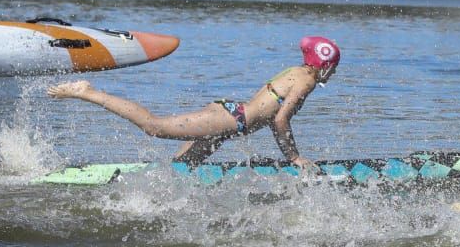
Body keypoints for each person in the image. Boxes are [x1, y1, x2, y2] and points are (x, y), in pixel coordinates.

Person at [48, 35, 339, 168]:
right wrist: (294, 158)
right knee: (154, 127)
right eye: (334, 66)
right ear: (323, 64)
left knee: (183, 169)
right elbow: (280, 119)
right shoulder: (307, 80)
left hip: (230, 119)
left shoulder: (297, 71)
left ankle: (163, 176)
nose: (334, 71)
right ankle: (87, 91)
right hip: (231, 120)